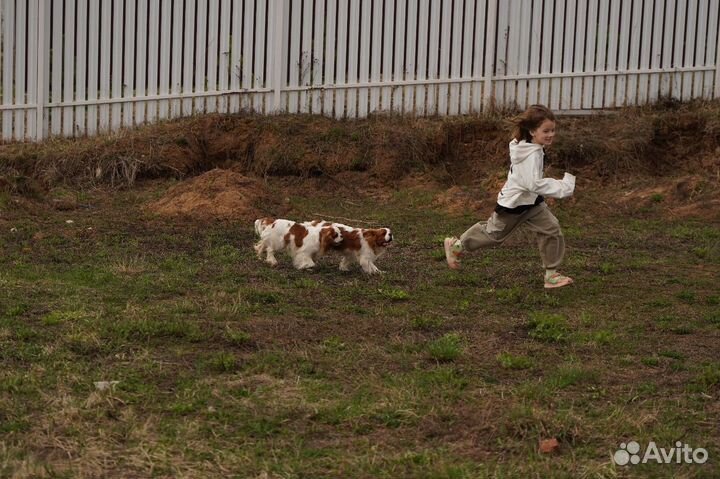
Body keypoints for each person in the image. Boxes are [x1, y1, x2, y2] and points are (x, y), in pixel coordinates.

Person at [443, 104, 576, 289]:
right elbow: (533, 183)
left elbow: (532, 185)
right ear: (532, 131)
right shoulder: (531, 154)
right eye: (546, 131)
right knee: (493, 235)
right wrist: (564, 186)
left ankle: (551, 275)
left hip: (532, 202)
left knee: (551, 229)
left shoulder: (531, 147)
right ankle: (457, 246)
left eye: (553, 130)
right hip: (513, 205)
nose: (551, 134)